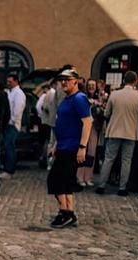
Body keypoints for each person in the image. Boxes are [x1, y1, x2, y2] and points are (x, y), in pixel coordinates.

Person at [47, 68, 92, 228]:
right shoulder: (67, 99)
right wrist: (56, 144)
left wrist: (82, 147)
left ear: (75, 81)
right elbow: (62, 124)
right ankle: (68, 212)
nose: (64, 82)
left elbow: (87, 122)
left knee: (56, 180)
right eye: (61, 80)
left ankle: (65, 212)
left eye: (67, 79)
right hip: (63, 145)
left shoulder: (79, 99)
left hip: (72, 146)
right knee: (64, 181)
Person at [94, 71, 138, 196]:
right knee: (126, 161)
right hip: (131, 132)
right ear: (135, 81)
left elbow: (106, 113)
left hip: (114, 130)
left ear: (124, 80)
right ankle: (122, 188)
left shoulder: (114, 94)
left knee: (109, 159)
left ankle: (101, 185)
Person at [76, 79, 104, 187]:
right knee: (83, 151)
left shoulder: (99, 98)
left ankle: (88, 177)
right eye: (90, 85)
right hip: (84, 127)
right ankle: (79, 177)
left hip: (94, 128)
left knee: (91, 153)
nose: (92, 87)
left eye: (93, 85)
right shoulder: (82, 97)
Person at [0, 73, 25, 180]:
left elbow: (17, 110)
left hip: (12, 124)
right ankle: (6, 166)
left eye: (10, 82)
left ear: (16, 81)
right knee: (6, 146)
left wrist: (12, 121)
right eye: (8, 82)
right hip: (7, 123)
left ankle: (9, 169)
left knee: (9, 146)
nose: (8, 83)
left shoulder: (19, 94)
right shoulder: (9, 92)